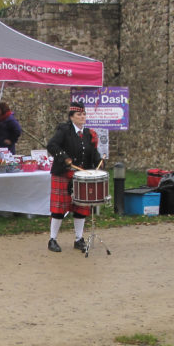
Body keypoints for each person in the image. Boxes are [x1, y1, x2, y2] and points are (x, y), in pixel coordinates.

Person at [45, 102, 103, 253]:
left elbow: (93, 153)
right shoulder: (64, 130)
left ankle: (79, 239)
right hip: (63, 174)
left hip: (81, 176)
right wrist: (64, 158)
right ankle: (52, 239)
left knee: (81, 207)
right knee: (59, 208)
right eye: (79, 115)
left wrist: (99, 162)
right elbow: (52, 145)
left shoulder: (89, 134)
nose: (82, 117)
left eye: (84, 114)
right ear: (71, 117)